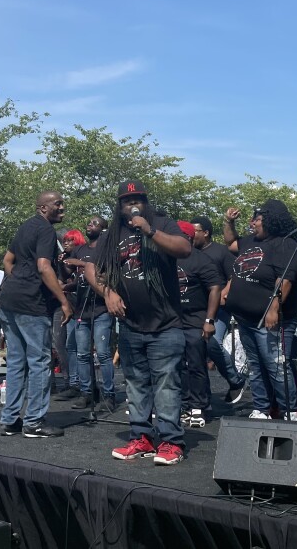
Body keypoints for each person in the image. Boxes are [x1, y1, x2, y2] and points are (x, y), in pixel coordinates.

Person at [85, 179, 191, 465]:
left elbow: (183, 248)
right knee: (135, 383)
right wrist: (107, 293)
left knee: (166, 384)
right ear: (119, 206)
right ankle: (141, 437)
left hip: (166, 324)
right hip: (131, 324)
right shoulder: (111, 235)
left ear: (146, 202)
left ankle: (171, 442)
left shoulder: (163, 223)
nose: (132, 204)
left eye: (138, 199)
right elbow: (91, 268)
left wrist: (149, 230)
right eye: (127, 200)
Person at [223, 200, 297, 421]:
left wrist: (273, 308)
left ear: (270, 221)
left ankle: (289, 410)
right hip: (246, 318)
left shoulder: (285, 244)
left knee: (276, 364)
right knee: (256, 365)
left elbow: (285, 280)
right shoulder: (250, 241)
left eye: (257, 219)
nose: (252, 223)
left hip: (271, 319)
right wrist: (228, 222)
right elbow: (230, 242)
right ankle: (261, 408)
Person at [0, 191, 72, 439]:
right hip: (31, 304)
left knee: (17, 361)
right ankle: (34, 423)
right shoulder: (46, 230)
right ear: (43, 208)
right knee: (40, 362)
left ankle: (10, 421)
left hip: (9, 300)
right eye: (57, 204)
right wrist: (63, 301)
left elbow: (8, 260)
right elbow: (43, 266)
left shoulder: (25, 226)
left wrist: (17, 281)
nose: (62, 207)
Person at [190, 216, 247, 403]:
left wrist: (224, 293)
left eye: (195, 230)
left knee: (212, 343)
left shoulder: (220, 251)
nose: (191, 234)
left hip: (219, 309)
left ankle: (235, 379)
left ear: (205, 233)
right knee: (195, 350)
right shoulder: (188, 252)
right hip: (197, 308)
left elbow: (235, 274)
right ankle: (201, 396)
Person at [176, 220, 224, 427]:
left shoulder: (201, 260)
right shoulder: (167, 258)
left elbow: (215, 288)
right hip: (173, 320)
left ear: (188, 237)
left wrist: (209, 320)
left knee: (196, 365)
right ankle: (185, 404)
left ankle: (199, 406)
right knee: (178, 366)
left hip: (196, 319)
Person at [67, 217, 118, 412]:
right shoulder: (80, 249)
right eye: (88, 223)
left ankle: (109, 394)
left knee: (103, 353)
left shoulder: (107, 250)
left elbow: (108, 274)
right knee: (82, 354)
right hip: (82, 308)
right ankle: (86, 393)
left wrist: (80, 262)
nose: (90, 225)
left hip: (101, 309)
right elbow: (70, 271)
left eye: (95, 223)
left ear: (104, 230)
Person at [54, 228, 86, 398]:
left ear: (77, 241)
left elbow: (77, 281)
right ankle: (73, 383)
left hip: (84, 306)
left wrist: (65, 286)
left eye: (69, 240)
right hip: (70, 306)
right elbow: (61, 279)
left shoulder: (84, 256)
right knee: (68, 345)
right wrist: (62, 263)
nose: (65, 243)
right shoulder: (64, 259)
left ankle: (84, 384)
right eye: (64, 241)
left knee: (83, 348)